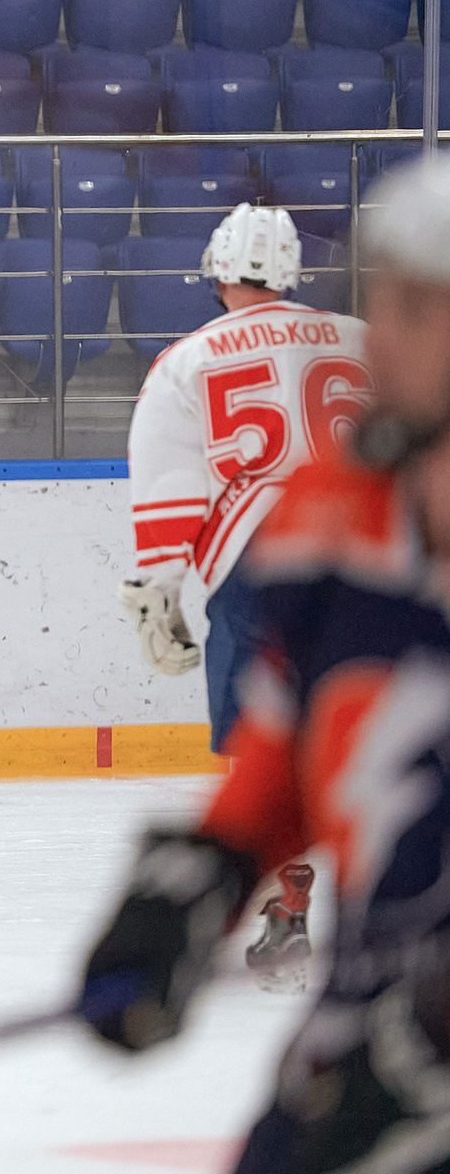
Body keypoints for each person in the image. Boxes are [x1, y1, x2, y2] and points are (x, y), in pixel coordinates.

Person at [79, 154, 450, 1174]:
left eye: (427, 305)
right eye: (390, 298)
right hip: (353, 1070)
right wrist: (197, 878)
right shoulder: (336, 508)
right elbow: (285, 760)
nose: (392, 333)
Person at [118, 203, 370, 984]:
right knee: (373, 738)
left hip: (256, 565)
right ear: (294, 271)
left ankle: (285, 920)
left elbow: (169, 485)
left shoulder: (186, 360)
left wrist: (157, 587)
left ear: (218, 268)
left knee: (265, 750)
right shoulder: (362, 339)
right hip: (366, 556)